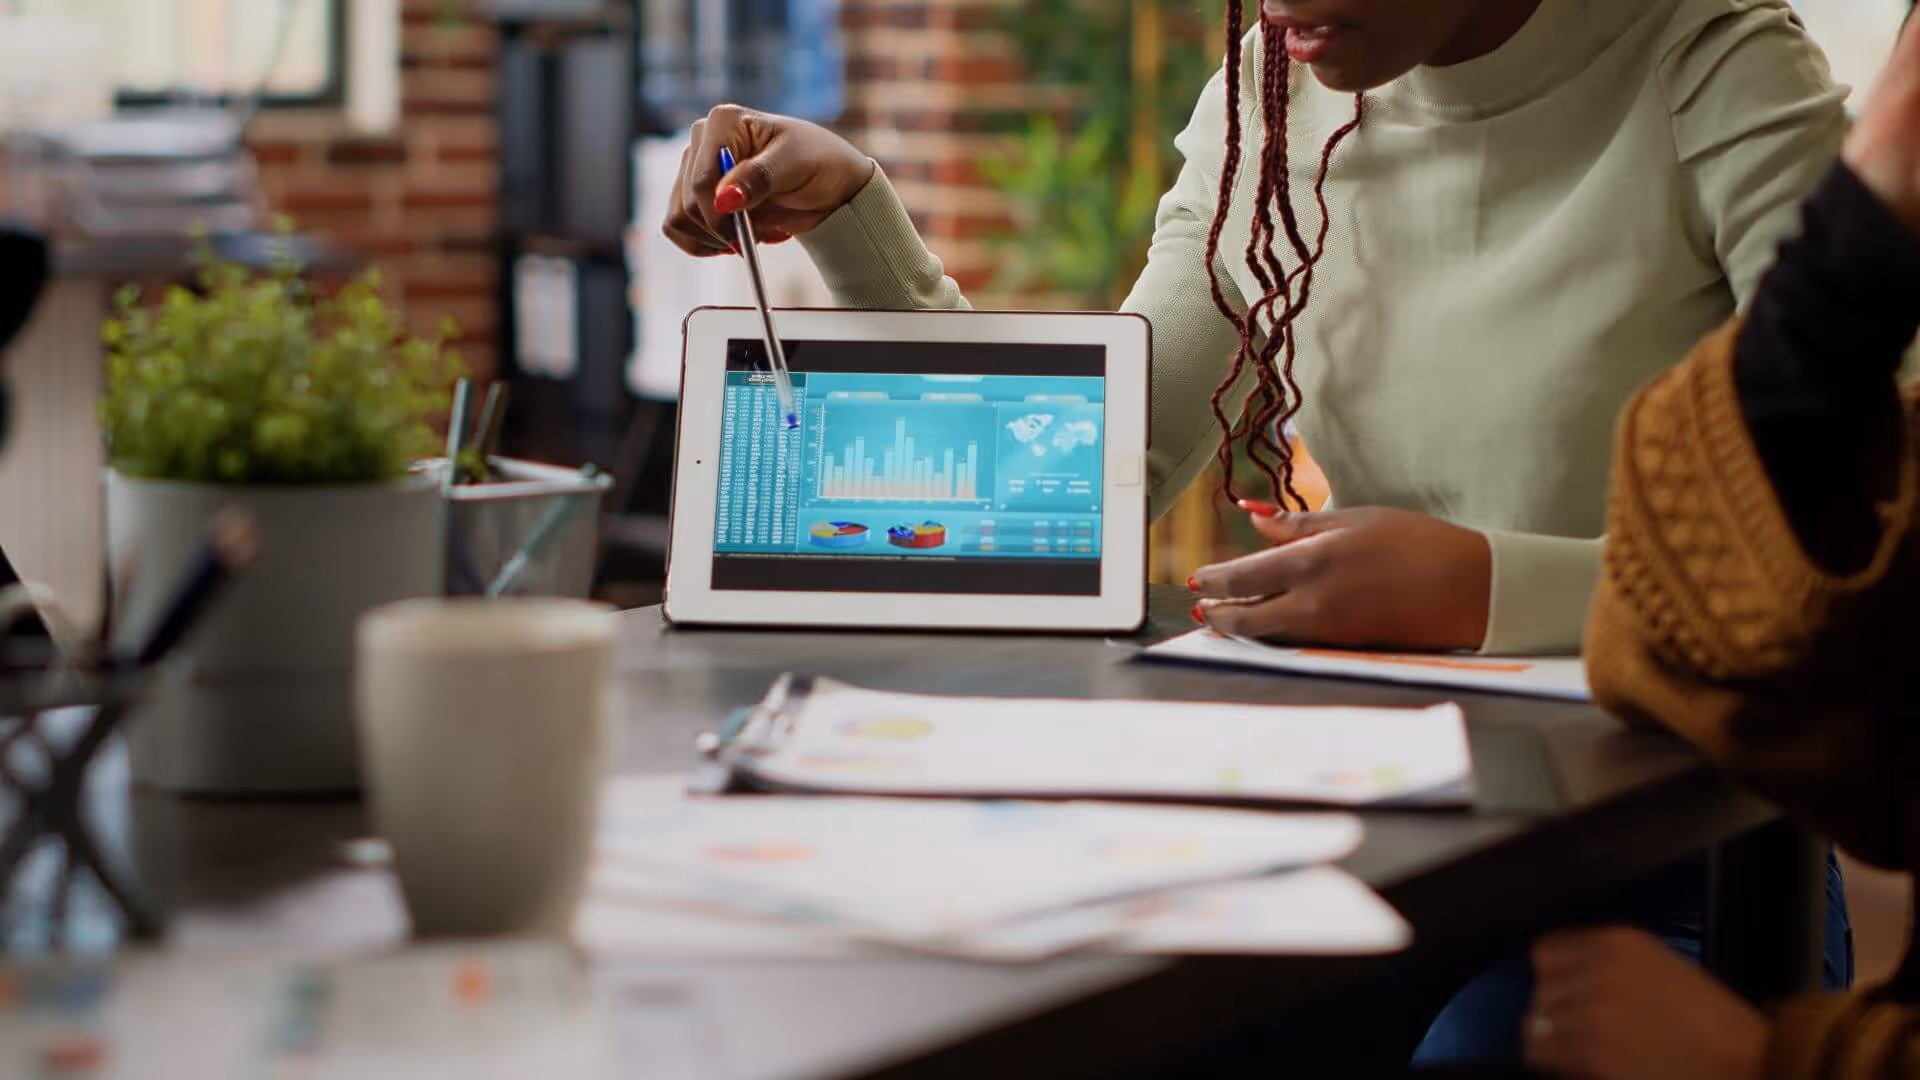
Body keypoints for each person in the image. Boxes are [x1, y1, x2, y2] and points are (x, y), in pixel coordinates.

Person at [664, 0, 1854, 1065]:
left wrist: (1495, 588)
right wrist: (855, 215)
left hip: (1667, 852)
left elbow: (1859, 535)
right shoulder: (1274, 89)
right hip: (1365, 839)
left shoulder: (1714, 62)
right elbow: (1075, 477)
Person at [1524, 8, 1920, 1079]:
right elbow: (1685, 639)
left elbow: (1709, 644)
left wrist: (1764, 1058)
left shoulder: (1707, 53)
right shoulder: (1269, 95)